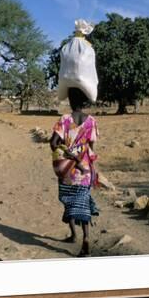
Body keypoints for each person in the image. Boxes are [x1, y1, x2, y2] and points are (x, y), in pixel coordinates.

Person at [50, 87, 99, 257]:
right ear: (84, 101)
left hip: (68, 170)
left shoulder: (64, 119)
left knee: (68, 201)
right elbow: (91, 147)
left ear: (70, 101)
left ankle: (74, 235)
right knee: (82, 204)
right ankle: (84, 238)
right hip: (85, 169)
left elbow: (53, 143)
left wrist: (67, 152)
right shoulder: (91, 121)